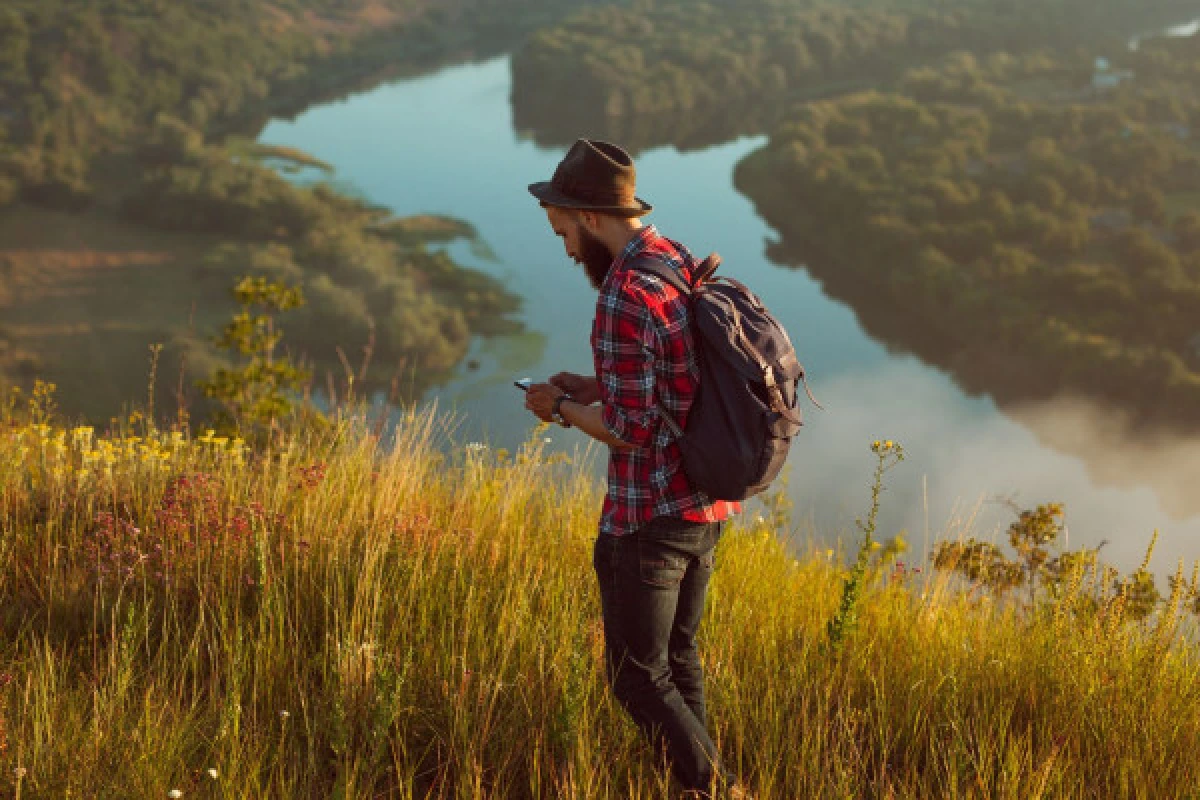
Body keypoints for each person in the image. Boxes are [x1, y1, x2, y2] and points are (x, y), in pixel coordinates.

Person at [523, 138, 748, 799]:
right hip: (704, 505)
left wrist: (558, 405)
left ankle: (717, 789)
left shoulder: (622, 294)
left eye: (564, 231)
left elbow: (630, 430)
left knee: (634, 676)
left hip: (648, 517)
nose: (566, 250)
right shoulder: (671, 258)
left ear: (588, 218)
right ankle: (695, 791)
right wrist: (596, 385)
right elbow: (669, 380)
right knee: (677, 664)